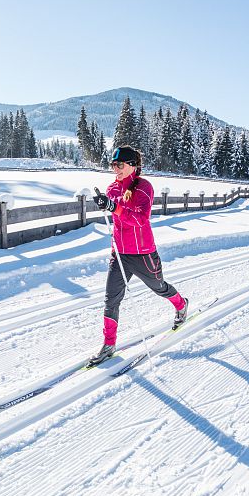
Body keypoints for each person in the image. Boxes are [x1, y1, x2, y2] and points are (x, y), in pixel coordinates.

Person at [87, 145, 188, 366]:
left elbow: (140, 219)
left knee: (159, 287)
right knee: (111, 299)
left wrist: (114, 207)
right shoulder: (112, 188)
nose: (116, 169)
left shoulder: (144, 188)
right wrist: (106, 205)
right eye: (113, 165)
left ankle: (181, 305)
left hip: (143, 253)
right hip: (120, 254)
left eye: (120, 165)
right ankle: (108, 344)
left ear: (133, 166)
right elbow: (115, 215)